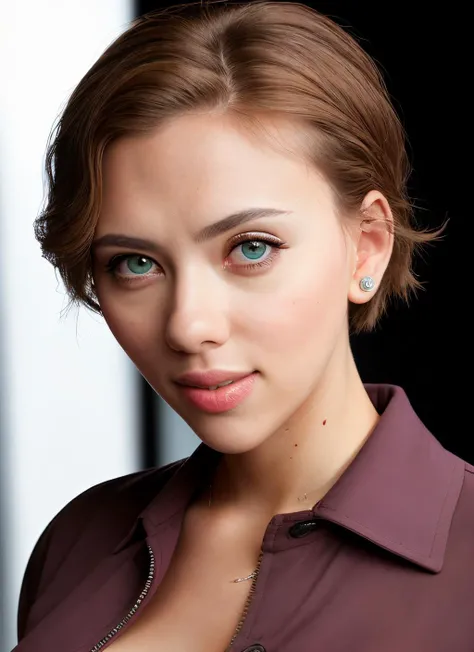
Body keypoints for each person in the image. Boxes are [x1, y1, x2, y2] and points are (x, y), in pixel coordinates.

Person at [13, 1, 472, 651]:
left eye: (251, 247)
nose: (188, 326)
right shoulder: (80, 542)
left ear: (367, 246)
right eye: (136, 264)